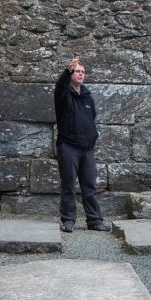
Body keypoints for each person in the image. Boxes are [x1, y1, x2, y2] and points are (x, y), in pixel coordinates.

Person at [54, 56, 111, 233]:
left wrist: (92, 136)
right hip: (68, 146)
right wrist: (66, 70)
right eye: (76, 71)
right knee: (69, 185)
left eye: (82, 72)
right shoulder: (63, 95)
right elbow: (59, 86)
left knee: (90, 187)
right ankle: (68, 220)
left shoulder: (87, 97)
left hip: (87, 149)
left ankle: (94, 221)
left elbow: (91, 119)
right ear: (71, 74)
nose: (80, 74)